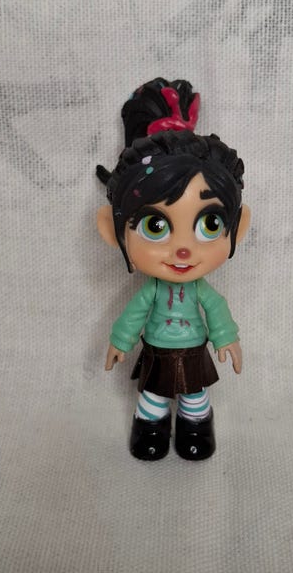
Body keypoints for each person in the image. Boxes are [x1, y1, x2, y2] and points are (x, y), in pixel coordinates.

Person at [96, 78, 250, 460]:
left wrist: (226, 338)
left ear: (239, 228)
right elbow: (134, 314)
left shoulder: (199, 290)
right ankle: (150, 428)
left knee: (195, 394)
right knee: (154, 394)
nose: (183, 249)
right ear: (112, 232)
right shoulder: (152, 290)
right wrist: (120, 341)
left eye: (210, 224)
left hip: (194, 349)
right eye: (155, 226)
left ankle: (196, 428)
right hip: (157, 349)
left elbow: (216, 309)